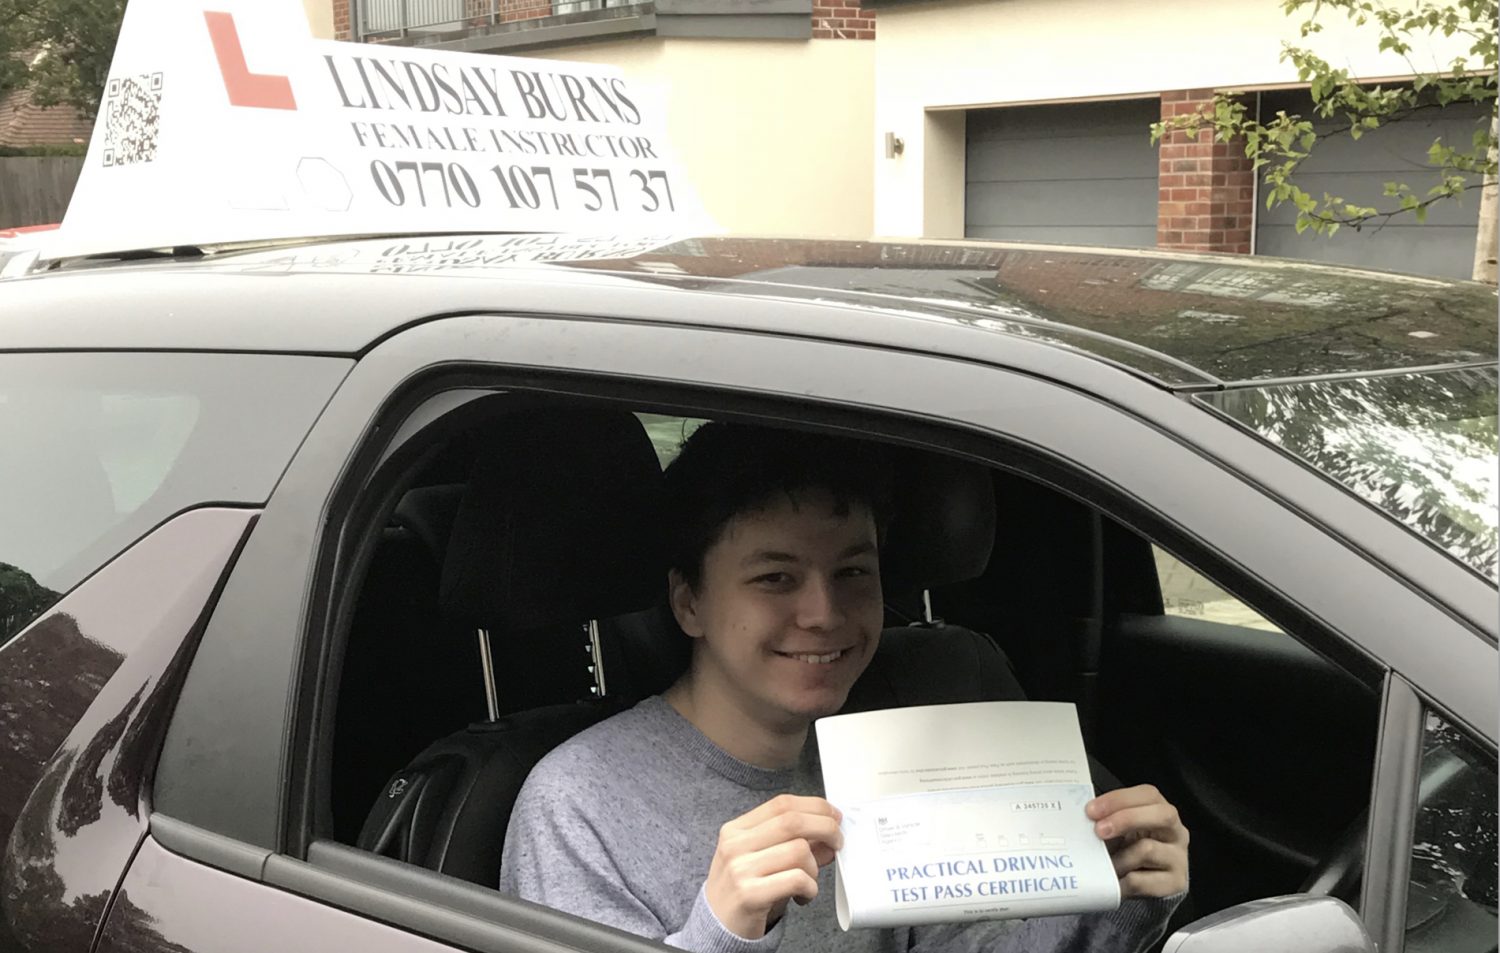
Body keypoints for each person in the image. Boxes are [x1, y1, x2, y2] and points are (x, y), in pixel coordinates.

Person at [500, 422, 1188, 952]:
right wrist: (722, 929)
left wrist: (1119, 894)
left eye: (853, 573)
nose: (824, 613)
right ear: (689, 603)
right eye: (776, 577)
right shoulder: (577, 802)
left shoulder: (894, 754)